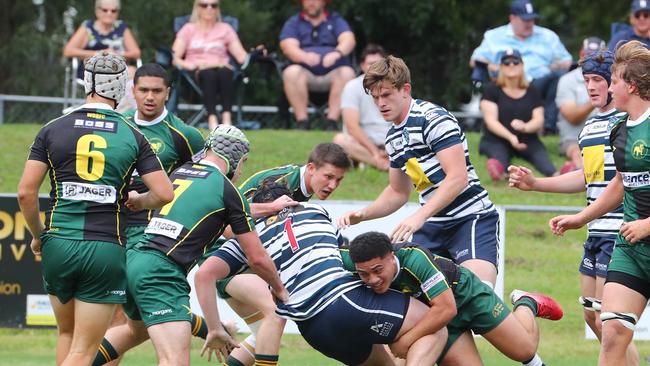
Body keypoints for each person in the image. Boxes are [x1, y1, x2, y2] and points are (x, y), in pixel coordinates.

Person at [16, 52, 173, 366]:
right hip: (104, 247)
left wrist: (38, 235)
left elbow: (25, 193)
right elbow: (164, 193)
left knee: (66, 334)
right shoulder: (133, 134)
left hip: (58, 242)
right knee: (84, 351)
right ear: (122, 88)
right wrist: (139, 201)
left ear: (86, 84)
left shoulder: (53, 128)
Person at [94, 125, 288, 366]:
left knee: (135, 331)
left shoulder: (180, 172)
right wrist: (280, 290)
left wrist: (138, 200)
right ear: (238, 160)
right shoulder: (227, 190)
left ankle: (75, 361)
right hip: (161, 272)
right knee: (174, 360)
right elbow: (257, 257)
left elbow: (224, 223)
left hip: (134, 259)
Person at [199, 183, 447, 366]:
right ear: (287, 200)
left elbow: (205, 275)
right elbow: (344, 256)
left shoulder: (248, 237)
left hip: (314, 331)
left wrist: (213, 327)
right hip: (342, 302)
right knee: (434, 327)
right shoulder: (313, 210)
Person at [508, 49, 639, 365]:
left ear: (616, 82)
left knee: (612, 329)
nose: (591, 87)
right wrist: (537, 183)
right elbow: (588, 177)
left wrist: (580, 217)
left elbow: (622, 184)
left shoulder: (629, 122)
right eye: (586, 81)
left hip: (621, 232)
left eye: (598, 80)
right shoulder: (591, 127)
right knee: (594, 317)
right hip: (596, 231)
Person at [338, 55, 500, 287]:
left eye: (386, 95)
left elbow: (457, 178)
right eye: (375, 98)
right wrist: (364, 214)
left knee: (480, 299)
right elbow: (397, 192)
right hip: (432, 225)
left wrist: (419, 217)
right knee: (421, 305)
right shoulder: (393, 137)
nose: (380, 103)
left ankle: (526, 303)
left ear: (405, 90)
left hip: (471, 219)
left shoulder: (433, 119)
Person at [548, 40, 650, 366]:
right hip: (631, 250)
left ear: (630, 86)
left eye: (614, 81)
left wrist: (648, 224)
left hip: (642, 231)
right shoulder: (619, 128)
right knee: (612, 331)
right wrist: (581, 217)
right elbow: (619, 184)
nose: (607, 87)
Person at [210, 142, 352, 366]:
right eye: (328, 176)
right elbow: (226, 225)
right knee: (276, 310)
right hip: (222, 257)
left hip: (243, 259)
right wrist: (270, 208)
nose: (333, 185)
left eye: (339, 180)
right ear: (311, 168)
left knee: (262, 334)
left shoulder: (301, 191)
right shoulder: (281, 183)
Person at [343, 231, 563, 366]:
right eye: (364, 274)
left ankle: (526, 303)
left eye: (378, 270)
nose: (372, 279)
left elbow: (447, 308)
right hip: (436, 322)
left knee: (523, 351)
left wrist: (406, 341)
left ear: (391, 257)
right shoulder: (353, 261)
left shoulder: (414, 258)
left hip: (466, 296)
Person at [123, 63, 205, 250]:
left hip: (153, 229)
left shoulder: (186, 135)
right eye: (143, 90)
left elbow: (203, 184)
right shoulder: (119, 125)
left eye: (157, 91)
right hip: (112, 225)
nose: (150, 97)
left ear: (167, 93)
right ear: (133, 91)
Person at [470, 0, 572, 133]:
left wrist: (557, 65)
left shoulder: (548, 36)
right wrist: (493, 66)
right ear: (512, 18)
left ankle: (547, 127)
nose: (530, 23)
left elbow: (568, 61)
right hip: (505, 83)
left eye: (532, 19)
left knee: (560, 77)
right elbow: (474, 61)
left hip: (539, 83)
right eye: (525, 20)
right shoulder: (494, 36)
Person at [172, 0, 257, 129]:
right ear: (197, 8)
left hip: (222, 69)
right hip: (197, 71)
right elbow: (175, 57)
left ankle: (226, 119)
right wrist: (190, 65)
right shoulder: (188, 29)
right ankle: (212, 119)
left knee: (225, 72)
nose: (209, 8)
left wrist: (256, 52)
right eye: (204, 5)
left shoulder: (226, 29)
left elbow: (241, 56)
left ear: (218, 9)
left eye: (214, 5)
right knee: (209, 74)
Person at [479, 48, 556, 180]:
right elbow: (491, 122)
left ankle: (558, 175)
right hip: (497, 139)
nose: (511, 65)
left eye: (515, 62)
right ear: (501, 67)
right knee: (499, 159)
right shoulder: (491, 89)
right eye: (506, 63)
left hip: (528, 139)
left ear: (522, 65)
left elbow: (539, 119)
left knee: (546, 165)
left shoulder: (532, 90)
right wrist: (511, 137)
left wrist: (525, 127)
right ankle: (501, 172)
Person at [279, 0, 356, 130]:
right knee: (291, 72)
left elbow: (348, 40)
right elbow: (287, 46)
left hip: (333, 74)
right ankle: (302, 122)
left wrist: (336, 53)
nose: (311, 2)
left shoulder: (336, 20)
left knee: (347, 73)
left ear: (324, 2)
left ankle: (331, 122)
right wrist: (303, 57)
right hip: (305, 75)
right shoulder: (294, 22)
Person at [333, 43, 391, 171]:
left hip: (390, 141)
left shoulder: (394, 87)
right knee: (340, 140)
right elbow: (352, 127)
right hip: (363, 143)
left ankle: (375, 161)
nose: (375, 68)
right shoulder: (352, 87)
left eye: (378, 63)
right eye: (371, 64)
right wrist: (375, 152)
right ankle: (381, 164)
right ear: (362, 65)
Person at [555, 37, 607, 175]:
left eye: (597, 56)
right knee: (576, 150)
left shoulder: (613, 78)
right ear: (580, 54)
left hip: (606, 133)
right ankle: (580, 171)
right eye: (588, 54)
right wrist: (597, 96)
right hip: (574, 137)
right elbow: (572, 117)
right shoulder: (567, 80)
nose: (591, 59)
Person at [63, 0, 141, 80]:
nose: (109, 13)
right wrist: (99, 53)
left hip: (117, 69)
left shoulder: (122, 28)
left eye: (113, 11)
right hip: (92, 69)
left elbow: (136, 53)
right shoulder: (87, 27)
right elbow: (68, 51)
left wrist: (115, 54)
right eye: (105, 10)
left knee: (132, 71)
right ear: (97, 11)